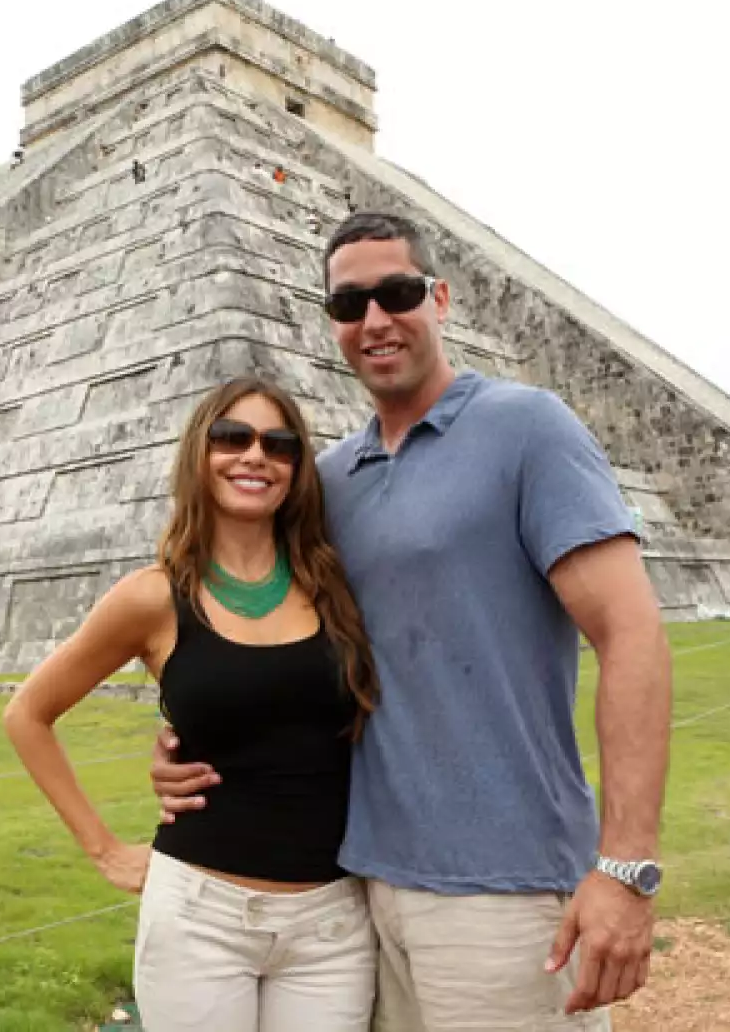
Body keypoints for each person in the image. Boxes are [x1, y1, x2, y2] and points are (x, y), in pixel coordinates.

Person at [153, 211, 674, 1030]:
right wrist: (197, 734)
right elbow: (263, 634)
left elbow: (632, 635)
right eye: (348, 304)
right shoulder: (327, 480)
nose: (374, 320)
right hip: (359, 882)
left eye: (396, 293)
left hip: (505, 887)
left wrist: (627, 865)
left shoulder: (526, 429)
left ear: (440, 298)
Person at [4, 376, 382, 1031]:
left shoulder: (335, 587)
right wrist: (103, 849)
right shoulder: (151, 598)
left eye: (279, 443)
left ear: (297, 467)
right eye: (232, 437)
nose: (255, 456)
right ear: (199, 454)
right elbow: (28, 714)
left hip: (331, 923)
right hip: (201, 918)